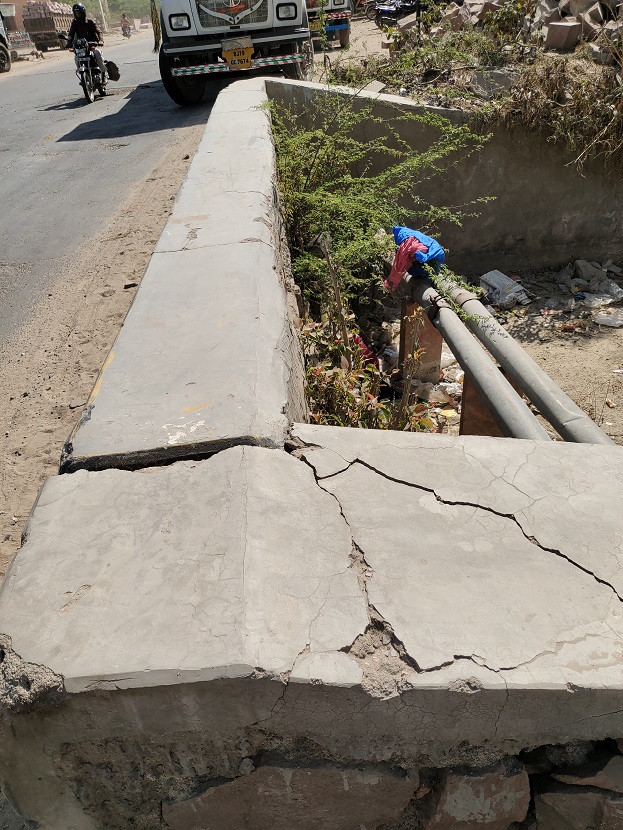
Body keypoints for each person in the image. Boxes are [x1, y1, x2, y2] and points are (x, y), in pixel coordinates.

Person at [67, 3, 107, 87]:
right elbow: (71, 34)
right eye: (76, 13)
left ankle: (103, 74)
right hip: (81, 45)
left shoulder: (90, 22)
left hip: (92, 45)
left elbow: (98, 31)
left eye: (79, 12)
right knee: (76, 58)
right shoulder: (74, 23)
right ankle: (84, 77)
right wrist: (69, 43)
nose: (78, 14)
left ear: (83, 12)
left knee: (97, 54)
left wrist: (101, 40)